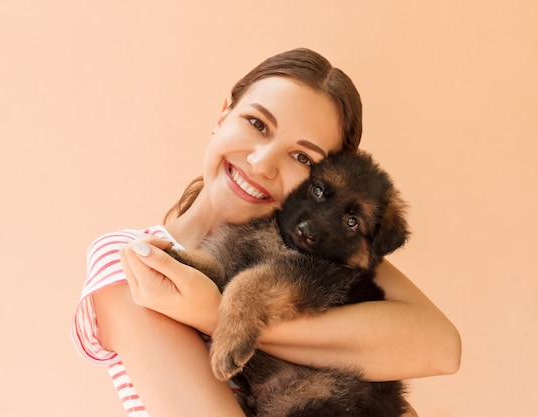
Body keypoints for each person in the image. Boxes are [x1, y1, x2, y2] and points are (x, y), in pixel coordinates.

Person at [71, 47, 461, 417]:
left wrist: (215, 314)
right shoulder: (132, 264)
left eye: (302, 157)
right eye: (257, 123)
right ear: (223, 113)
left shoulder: (320, 251)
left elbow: (443, 348)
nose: (261, 163)